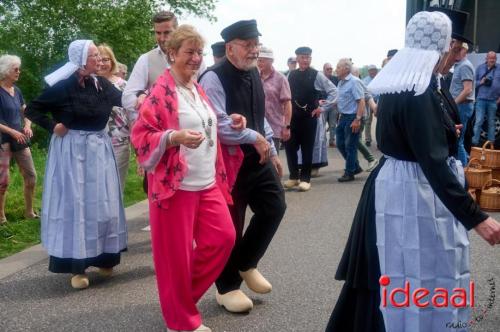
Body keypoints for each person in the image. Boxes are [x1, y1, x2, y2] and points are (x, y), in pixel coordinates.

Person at [326, 10, 500, 332]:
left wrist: (444, 129)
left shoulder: (410, 82)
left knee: (389, 276)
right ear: (441, 47)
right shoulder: (418, 90)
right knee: (405, 272)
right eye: (454, 48)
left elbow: (417, 136)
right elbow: (433, 163)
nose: (456, 56)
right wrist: (476, 217)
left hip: (400, 185)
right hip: (410, 192)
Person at [131, 25, 243, 332]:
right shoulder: (161, 91)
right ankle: (180, 322)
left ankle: (177, 299)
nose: (195, 58)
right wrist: (172, 137)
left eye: (199, 52)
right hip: (175, 188)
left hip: (207, 182)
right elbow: (141, 136)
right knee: (175, 260)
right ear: (172, 54)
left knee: (223, 238)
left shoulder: (196, 87)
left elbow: (209, 120)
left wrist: (230, 120)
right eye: (189, 52)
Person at [199, 19, 286, 313]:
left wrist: (270, 148)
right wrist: (256, 138)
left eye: (256, 45)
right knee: (230, 228)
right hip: (228, 164)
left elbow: (260, 118)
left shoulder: (254, 74)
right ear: (230, 48)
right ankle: (226, 287)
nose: (254, 51)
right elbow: (219, 126)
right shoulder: (213, 78)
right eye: (248, 45)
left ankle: (247, 264)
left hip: (258, 159)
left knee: (275, 207)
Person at [26, 40, 127, 289]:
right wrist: (52, 126)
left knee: (103, 204)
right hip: (72, 152)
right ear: (82, 60)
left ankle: (106, 258)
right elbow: (32, 109)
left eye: (101, 57)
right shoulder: (63, 87)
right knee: (77, 206)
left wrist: (150, 97)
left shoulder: (102, 84)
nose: (100, 60)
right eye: (95, 56)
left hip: (100, 150)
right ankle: (76, 267)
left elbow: (127, 101)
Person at [284, 47, 336, 191]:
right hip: (293, 117)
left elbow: (333, 91)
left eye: (308, 57)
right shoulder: (291, 74)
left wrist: (322, 108)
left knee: (307, 149)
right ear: (297, 59)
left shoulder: (316, 75)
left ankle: (305, 179)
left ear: (310, 59)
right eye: (302, 57)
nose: (305, 60)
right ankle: (294, 177)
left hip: (309, 118)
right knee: (290, 147)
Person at [0, 55, 37, 224]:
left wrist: (27, 125)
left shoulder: (17, 90)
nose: (19, 72)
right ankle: (1, 217)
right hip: (3, 140)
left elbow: (26, 111)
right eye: (16, 69)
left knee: (31, 175)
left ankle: (29, 212)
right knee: (3, 181)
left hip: (20, 138)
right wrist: (13, 132)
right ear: (6, 71)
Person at [97, 44, 130, 192]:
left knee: (115, 189)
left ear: (112, 61)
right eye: (99, 59)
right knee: (98, 188)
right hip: (94, 142)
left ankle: (116, 216)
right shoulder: (89, 83)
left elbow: (132, 114)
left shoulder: (124, 85)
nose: (102, 63)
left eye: (106, 59)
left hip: (119, 143)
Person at [335, 58, 366, 182]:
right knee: (340, 144)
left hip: (353, 117)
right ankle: (355, 167)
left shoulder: (354, 82)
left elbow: (361, 101)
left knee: (350, 146)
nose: (336, 69)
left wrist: (357, 119)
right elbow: (340, 100)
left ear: (346, 69)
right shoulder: (341, 82)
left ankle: (349, 173)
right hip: (343, 117)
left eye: (338, 67)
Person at [257, 46, 292, 154]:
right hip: (256, 127)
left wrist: (287, 126)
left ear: (271, 61)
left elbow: (287, 103)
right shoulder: (254, 77)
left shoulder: (280, 78)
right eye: (258, 60)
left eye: (262, 60)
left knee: (272, 160)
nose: (259, 63)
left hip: (274, 128)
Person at [450, 42, 474, 165]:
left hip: (462, 106)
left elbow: (468, 89)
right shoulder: (460, 65)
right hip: (462, 105)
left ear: (465, 51)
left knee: (458, 140)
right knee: (458, 140)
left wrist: (452, 103)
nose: (458, 51)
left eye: (461, 49)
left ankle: (463, 171)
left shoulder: (464, 66)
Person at [472, 51, 500, 146]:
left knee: (491, 123)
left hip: (493, 100)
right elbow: (473, 83)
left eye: (494, 58)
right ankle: (474, 144)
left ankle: (491, 145)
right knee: (479, 121)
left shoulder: (499, 68)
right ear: (486, 58)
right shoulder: (480, 68)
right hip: (481, 99)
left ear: (496, 59)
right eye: (490, 58)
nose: (492, 60)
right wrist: (481, 81)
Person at [322, 62, 339, 147]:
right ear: (323, 70)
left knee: (333, 124)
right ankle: (323, 141)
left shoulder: (336, 79)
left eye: (331, 69)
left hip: (333, 105)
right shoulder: (320, 79)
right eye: (327, 69)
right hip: (323, 105)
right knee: (322, 124)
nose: (329, 70)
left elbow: (339, 91)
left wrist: (337, 102)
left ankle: (332, 141)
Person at [362, 64, 378, 146]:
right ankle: (368, 139)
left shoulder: (380, 79)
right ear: (368, 71)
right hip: (368, 102)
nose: (372, 71)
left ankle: (379, 140)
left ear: (376, 70)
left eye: (374, 70)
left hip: (378, 101)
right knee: (368, 121)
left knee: (380, 122)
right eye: (371, 70)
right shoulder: (364, 80)